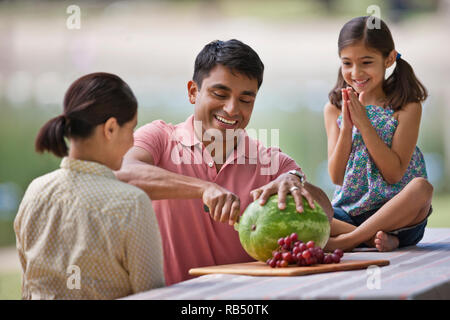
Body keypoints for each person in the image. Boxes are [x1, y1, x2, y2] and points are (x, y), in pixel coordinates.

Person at [116, 39, 334, 285]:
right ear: (192, 91)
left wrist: (296, 181)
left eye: (245, 99)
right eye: (220, 94)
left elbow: (325, 216)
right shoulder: (159, 138)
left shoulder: (270, 160)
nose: (231, 109)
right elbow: (123, 174)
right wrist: (203, 189)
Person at [14, 72, 165, 299]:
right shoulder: (131, 203)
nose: (133, 141)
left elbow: (28, 286)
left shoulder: (35, 191)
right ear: (111, 128)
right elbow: (151, 296)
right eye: (131, 129)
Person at [323, 16, 433, 252]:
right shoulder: (334, 108)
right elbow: (336, 177)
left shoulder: (406, 106)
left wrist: (364, 123)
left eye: (366, 62)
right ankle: (368, 238)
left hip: (398, 217)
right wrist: (348, 127)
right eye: (347, 63)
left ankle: (348, 241)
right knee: (301, 201)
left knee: (422, 188)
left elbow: (393, 174)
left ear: (389, 58)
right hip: (349, 214)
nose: (356, 72)